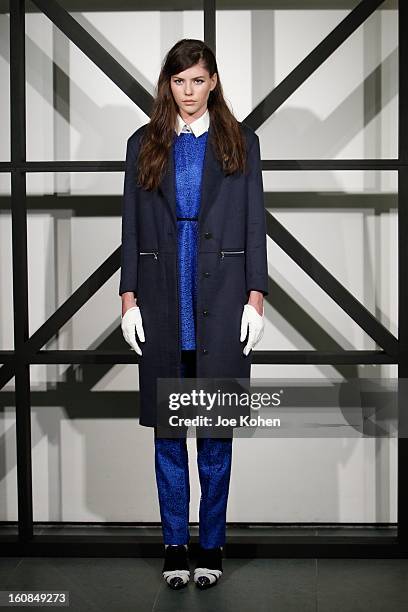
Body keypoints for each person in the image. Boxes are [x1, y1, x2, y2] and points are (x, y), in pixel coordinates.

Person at [119, 38, 268, 590]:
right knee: (167, 437)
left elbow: (255, 225)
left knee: (214, 438)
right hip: (161, 301)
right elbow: (132, 226)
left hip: (223, 299)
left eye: (198, 80)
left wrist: (255, 298)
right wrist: (128, 299)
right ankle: (174, 545)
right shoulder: (143, 143)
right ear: (169, 85)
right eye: (179, 81)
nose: (188, 91)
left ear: (213, 82)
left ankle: (211, 544)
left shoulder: (241, 142)